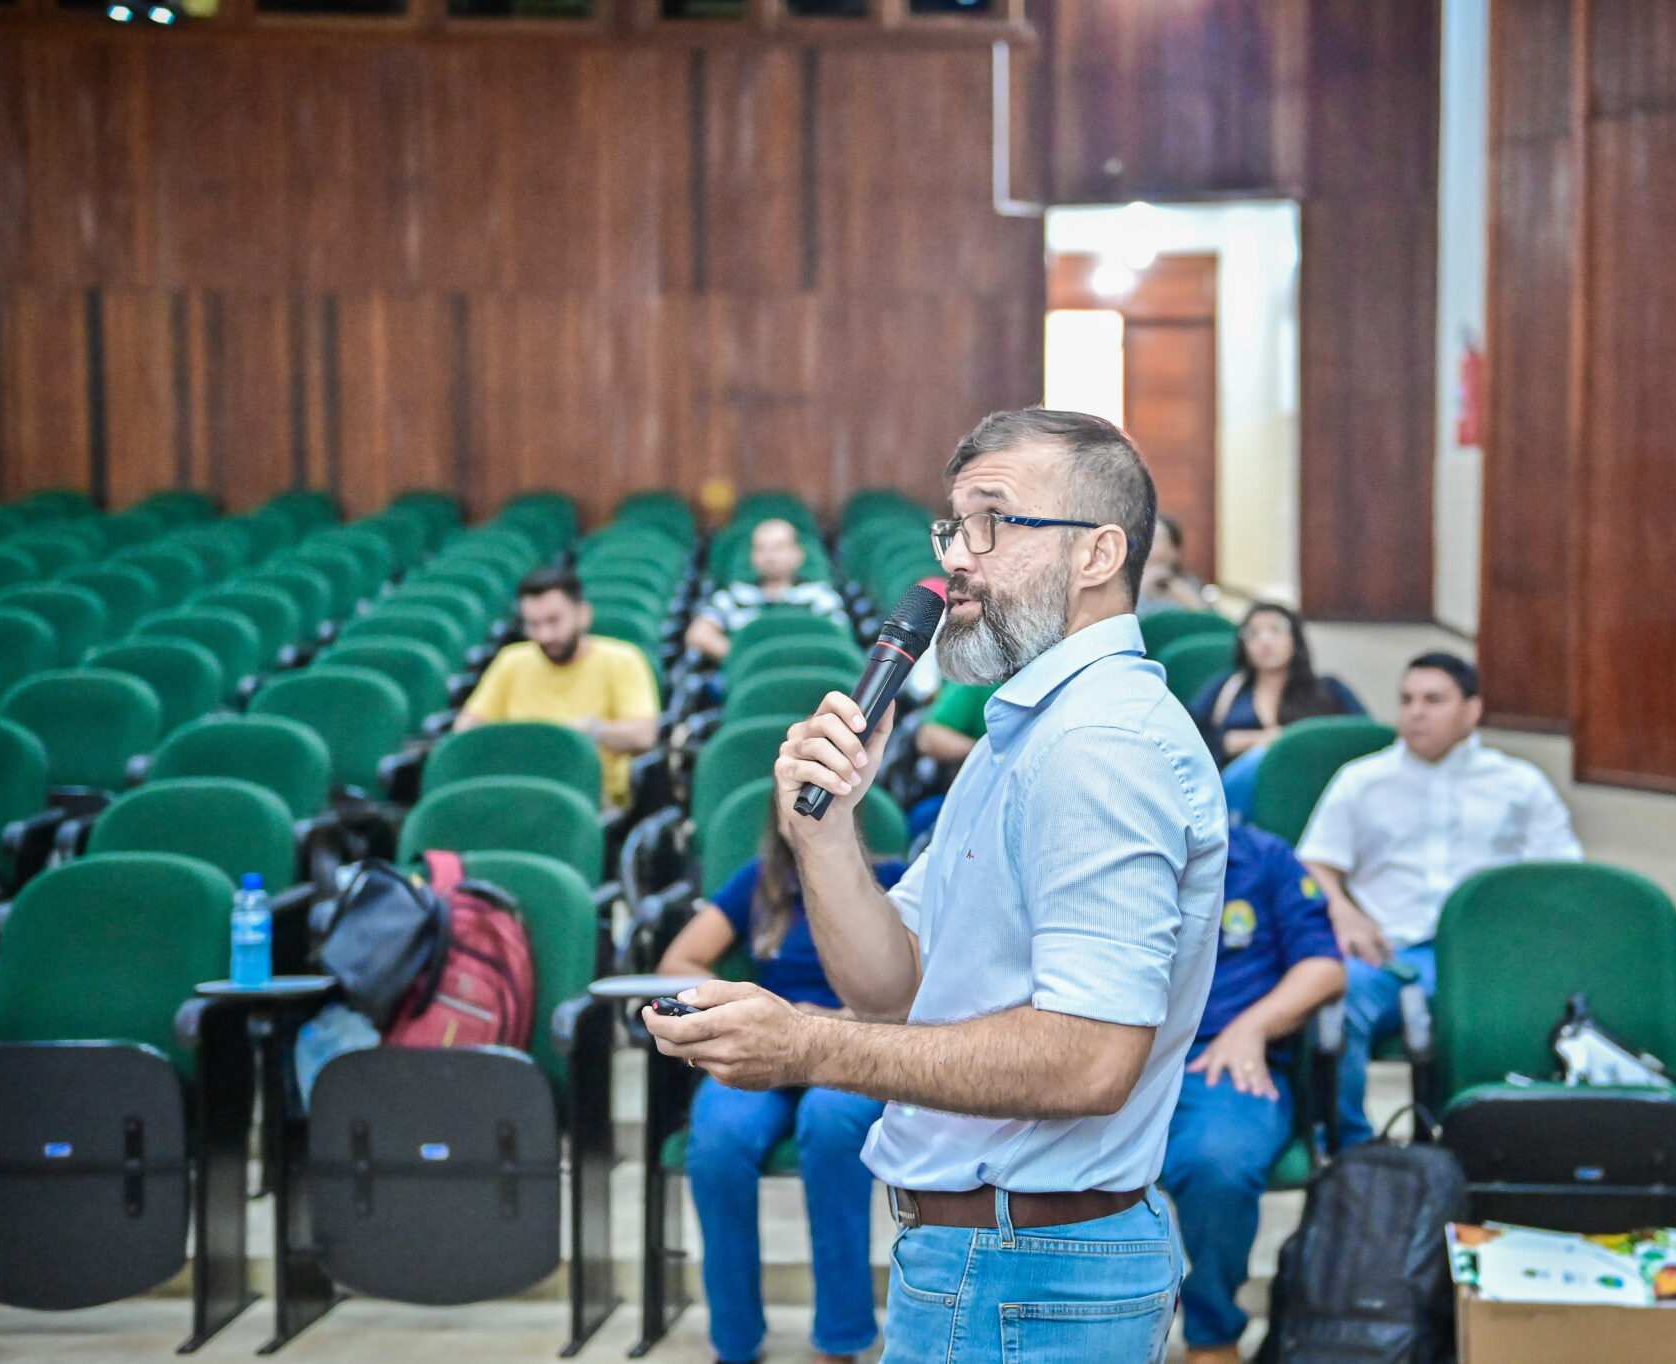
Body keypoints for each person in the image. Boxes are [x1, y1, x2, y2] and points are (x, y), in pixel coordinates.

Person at [642, 408, 1227, 1364]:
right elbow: (896, 984)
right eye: (952, 525)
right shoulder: (1025, 736)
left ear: (1097, 553)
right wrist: (819, 834)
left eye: (993, 521)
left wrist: (805, 1046)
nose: (956, 558)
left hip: (1028, 1267)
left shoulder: (1098, 747)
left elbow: (1089, 1060)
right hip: (989, 1255)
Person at [1296, 653, 1582, 1146]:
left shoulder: (1519, 785)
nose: (1415, 713)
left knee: (1519, 1025)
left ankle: (1484, 1152)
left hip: (1486, 958)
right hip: (1390, 954)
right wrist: (1343, 910)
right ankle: (1356, 1155)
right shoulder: (1362, 780)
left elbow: (1560, 879)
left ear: (1472, 711)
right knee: (1334, 1004)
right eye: (1407, 700)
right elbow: (1314, 861)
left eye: (1434, 700)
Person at [654, 819, 903, 1364]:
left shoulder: (891, 877)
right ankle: (735, 1343)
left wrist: (840, 1020)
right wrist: (756, 1010)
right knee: (718, 1139)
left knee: (832, 1123)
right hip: (768, 1048)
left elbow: (922, 981)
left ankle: (839, 1340)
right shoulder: (762, 882)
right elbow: (677, 962)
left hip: (853, 1045)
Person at [1161, 823, 1344, 1364]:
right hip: (1099, 1046)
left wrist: (1254, 1026)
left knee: (1218, 1164)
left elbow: (1325, 967)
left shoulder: (1262, 857)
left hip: (1218, 1057)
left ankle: (1212, 1334)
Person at [455, 566, 659, 808]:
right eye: (533, 624)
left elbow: (643, 735)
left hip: (588, 799)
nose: (545, 635)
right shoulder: (512, 660)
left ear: (582, 615)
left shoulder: (623, 659)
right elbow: (465, 729)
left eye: (554, 621)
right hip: (518, 789)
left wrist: (593, 730)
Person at [1190, 602, 1368, 813]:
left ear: (1295, 638)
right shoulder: (1226, 688)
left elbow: (1363, 739)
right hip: (1239, 800)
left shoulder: (1329, 689)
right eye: (1253, 633)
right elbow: (1189, 739)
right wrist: (1251, 742)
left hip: (1311, 795)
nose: (1265, 641)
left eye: (1277, 630)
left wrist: (1290, 742)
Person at [685, 518, 852, 664]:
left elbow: (839, 639)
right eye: (761, 548)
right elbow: (697, 634)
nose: (770, 556)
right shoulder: (734, 596)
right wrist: (746, 656)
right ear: (752, 556)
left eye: (779, 548)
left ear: (798, 553)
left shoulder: (820, 596)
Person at [1137, 513, 1209, 616]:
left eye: (1153, 539)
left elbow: (1211, 625)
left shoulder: (1191, 584)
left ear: (1174, 551)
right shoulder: (1121, 588)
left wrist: (1184, 594)